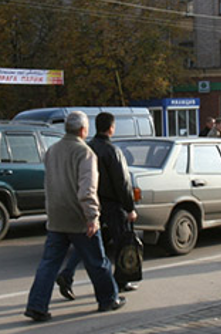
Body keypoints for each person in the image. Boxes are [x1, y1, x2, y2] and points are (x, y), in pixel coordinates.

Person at [24, 111, 125, 322]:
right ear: (83, 130)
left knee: (48, 264)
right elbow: (87, 189)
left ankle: (36, 305)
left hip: (56, 217)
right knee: (98, 261)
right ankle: (108, 299)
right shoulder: (85, 153)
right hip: (78, 217)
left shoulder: (52, 151)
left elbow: (49, 185)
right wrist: (92, 216)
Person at [55, 111, 140, 298]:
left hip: (91, 201)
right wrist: (130, 208)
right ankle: (120, 280)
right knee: (120, 241)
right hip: (112, 204)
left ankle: (67, 274)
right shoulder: (112, 151)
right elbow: (122, 182)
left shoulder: (87, 147)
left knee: (87, 243)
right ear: (111, 127)